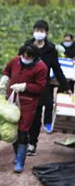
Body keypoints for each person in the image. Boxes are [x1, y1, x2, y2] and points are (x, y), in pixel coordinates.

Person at [20, 20, 71, 156]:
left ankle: (32, 143)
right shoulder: (27, 46)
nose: (39, 33)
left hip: (42, 87)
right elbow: (19, 64)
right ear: (33, 31)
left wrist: (66, 87)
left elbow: (57, 68)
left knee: (36, 116)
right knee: (25, 116)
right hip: (26, 85)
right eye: (37, 30)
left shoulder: (50, 49)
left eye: (42, 31)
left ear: (46, 33)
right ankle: (22, 141)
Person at [0, 43, 47, 173]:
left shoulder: (41, 67)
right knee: (13, 127)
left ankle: (20, 161)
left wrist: (25, 86)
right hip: (12, 99)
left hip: (28, 102)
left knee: (22, 130)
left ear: (35, 57)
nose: (25, 58)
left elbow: (40, 87)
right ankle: (16, 154)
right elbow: (7, 70)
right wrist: (5, 78)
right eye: (24, 56)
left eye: (28, 57)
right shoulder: (16, 61)